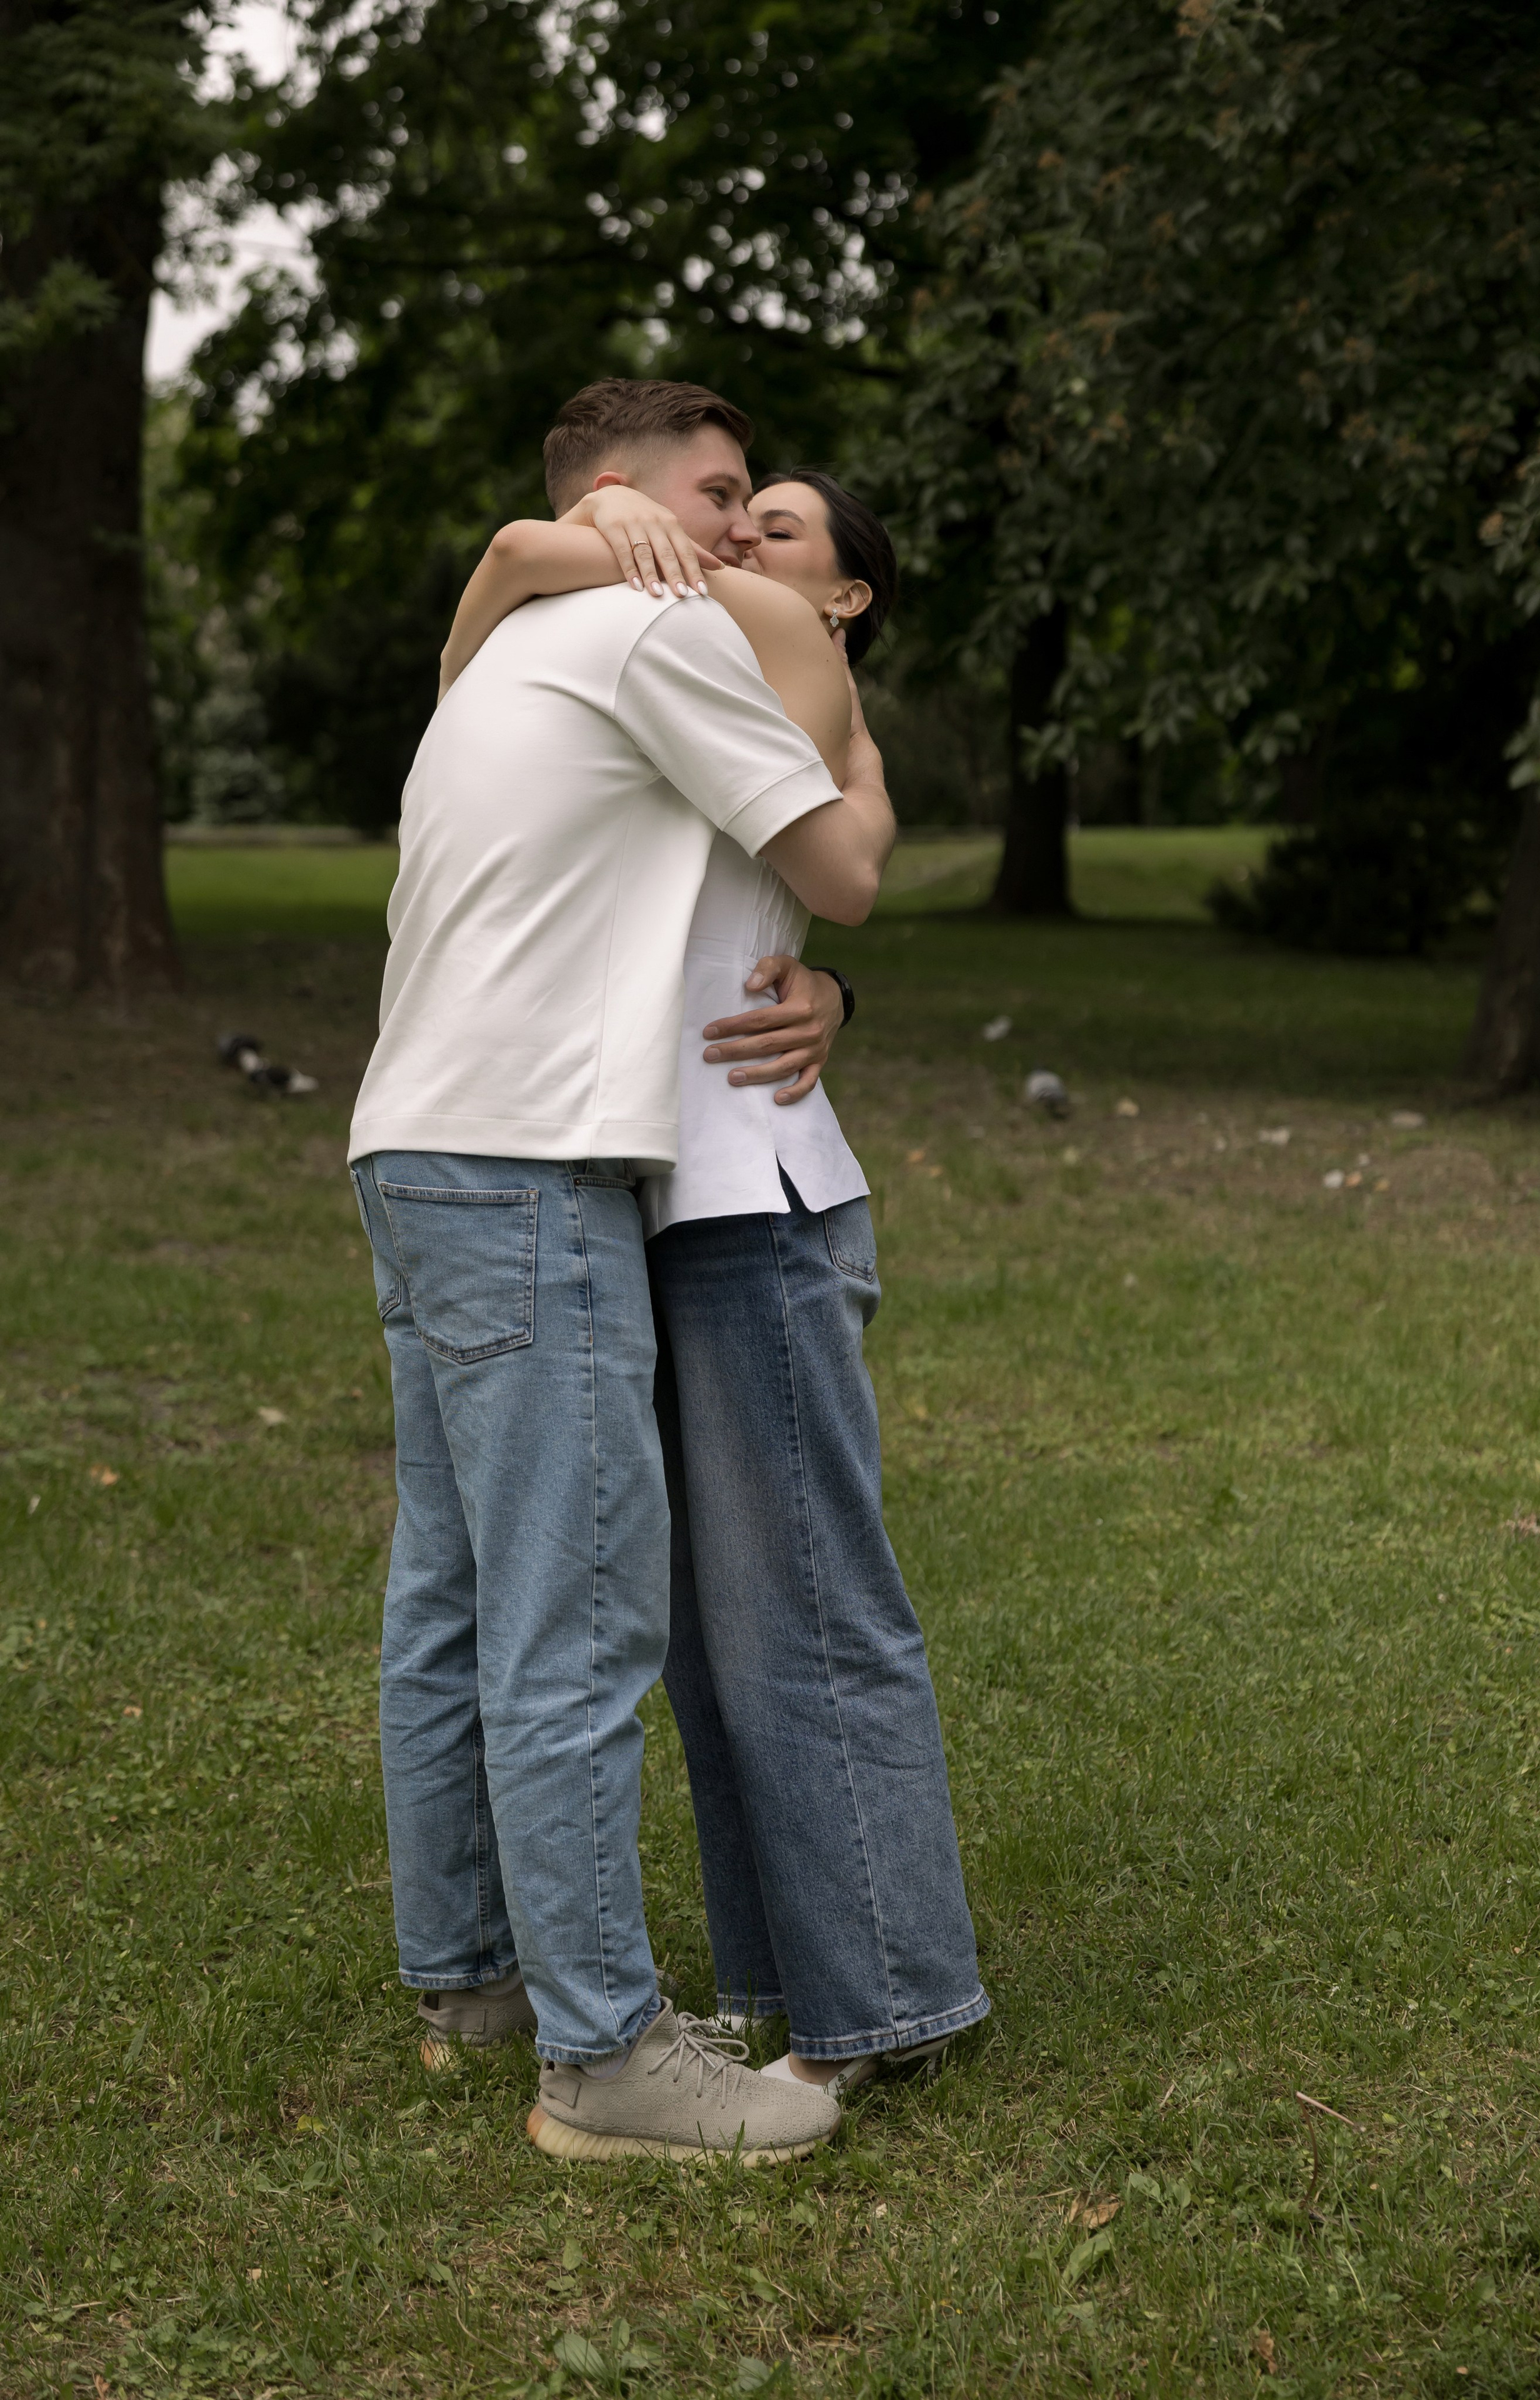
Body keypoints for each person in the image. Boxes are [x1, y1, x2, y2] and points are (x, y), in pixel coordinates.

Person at [349, 378, 895, 2163]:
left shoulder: (505, 655)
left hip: (408, 1146)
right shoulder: (650, 634)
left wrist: (525, 553)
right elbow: (833, 856)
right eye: (721, 494)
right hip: (528, 1166)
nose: (743, 526)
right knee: (575, 1617)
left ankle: (471, 1973)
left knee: (447, 1587)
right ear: (625, 502)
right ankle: (601, 2063)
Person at [444, 442, 988, 2102]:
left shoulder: (775, 653)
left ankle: (886, 2000)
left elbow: (850, 873)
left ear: (845, 592)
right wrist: (571, 536)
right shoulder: (715, 674)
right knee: (709, 1631)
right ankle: (796, 1972)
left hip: (755, 1198)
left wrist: (580, 532)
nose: (737, 530)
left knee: (806, 1609)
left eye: (781, 525)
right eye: (730, 507)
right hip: (658, 1195)